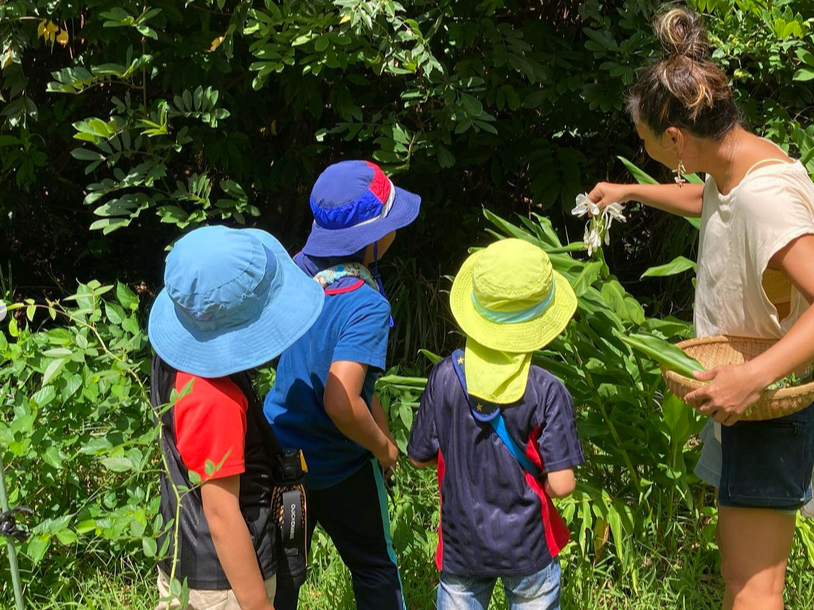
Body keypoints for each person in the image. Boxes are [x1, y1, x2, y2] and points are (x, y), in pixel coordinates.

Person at [588, 7, 814, 610]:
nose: (646, 151)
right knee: (743, 575)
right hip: (749, 397)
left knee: (753, 592)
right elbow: (708, 197)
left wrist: (750, 379)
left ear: (676, 139)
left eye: (646, 145)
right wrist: (631, 189)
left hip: (769, 404)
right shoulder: (733, 162)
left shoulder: (767, 199)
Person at [264, 160, 421, 610]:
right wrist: (384, 449)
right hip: (341, 467)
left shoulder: (297, 278)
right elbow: (339, 399)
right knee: (373, 564)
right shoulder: (365, 304)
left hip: (284, 460)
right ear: (370, 239)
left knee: (283, 573)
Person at [147, 225, 324, 610]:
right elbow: (221, 513)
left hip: (185, 555)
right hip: (224, 586)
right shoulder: (214, 399)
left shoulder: (173, 357)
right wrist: (257, 605)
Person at [408, 238, 584, 610]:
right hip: (529, 546)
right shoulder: (548, 390)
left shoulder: (445, 377)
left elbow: (420, 457)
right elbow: (563, 485)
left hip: (462, 544)